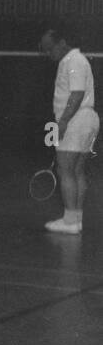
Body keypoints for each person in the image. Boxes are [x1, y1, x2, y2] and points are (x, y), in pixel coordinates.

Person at [39, 24, 97, 235]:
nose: (48, 53)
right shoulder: (74, 61)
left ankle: (70, 221)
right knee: (76, 170)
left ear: (62, 43)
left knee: (65, 170)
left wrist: (62, 123)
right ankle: (75, 219)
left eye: (50, 48)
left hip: (75, 120)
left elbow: (77, 94)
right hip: (86, 119)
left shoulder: (73, 61)